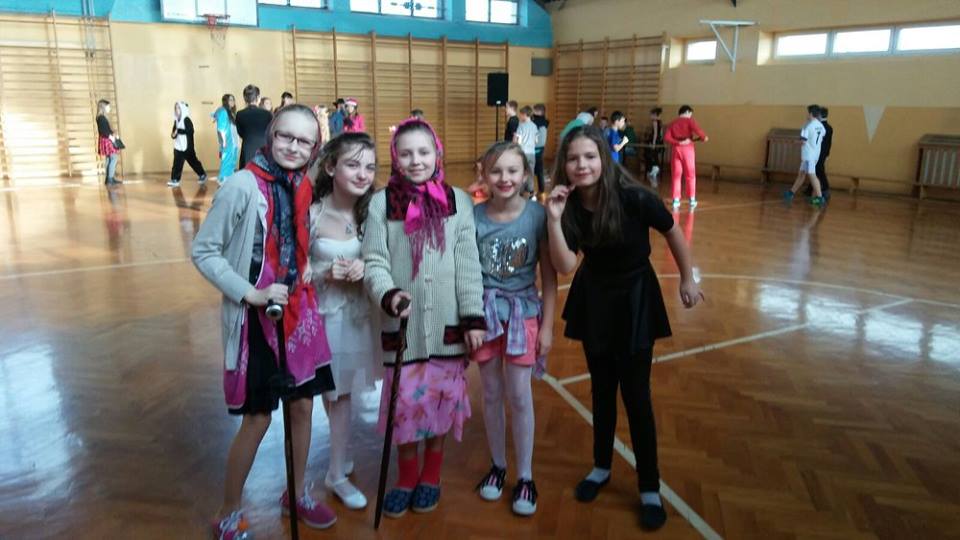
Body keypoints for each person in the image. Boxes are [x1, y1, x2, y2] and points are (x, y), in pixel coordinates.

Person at [545, 125, 704, 531]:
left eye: (589, 156)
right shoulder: (570, 206)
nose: (582, 165)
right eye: (573, 158)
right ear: (564, 164)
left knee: (636, 396)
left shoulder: (635, 198)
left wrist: (688, 278)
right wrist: (554, 218)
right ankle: (601, 467)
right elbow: (565, 266)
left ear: (604, 158)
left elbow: (672, 230)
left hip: (635, 298)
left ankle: (649, 486)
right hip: (595, 298)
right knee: (601, 391)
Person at [193, 104, 338, 539]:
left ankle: (296, 493)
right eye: (286, 137)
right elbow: (204, 251)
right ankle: (229, 512)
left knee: (303, 406)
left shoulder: (303, 185)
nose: (293, 147)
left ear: (314, 147)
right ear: (271, 135)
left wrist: (306, 265)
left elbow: (298, 239)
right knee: (257, 419)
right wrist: (250, 292)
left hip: (298, 314)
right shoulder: (242, 185)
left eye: (304, 141)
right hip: (256, 320)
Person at [362, 118, 485, 519]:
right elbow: (374, 261)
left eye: (423, 152)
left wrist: (473, 318)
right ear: (395, 157)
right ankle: (406, 478)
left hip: (448, 329)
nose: (416, 160)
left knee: (440, 406)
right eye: (406, 153)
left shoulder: (459, 201)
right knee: (404, 409)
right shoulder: (381, 204)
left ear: (437, 154)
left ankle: (431, 476)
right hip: (403, 329)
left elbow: (468, 265)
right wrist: (388, 294)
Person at [471, 141, 557, 516]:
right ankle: (498, 465)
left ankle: (525, 475)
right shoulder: (474, 216)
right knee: (491, 392)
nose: (504, 178)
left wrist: (548, 326)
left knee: (520, 395)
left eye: (512, 170)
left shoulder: (537, 215)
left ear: (525, 175)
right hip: (485, 315)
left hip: (523, 313)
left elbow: (550, 277)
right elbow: (466, 274)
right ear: (484, 174)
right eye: (496, 170)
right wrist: (470, 319)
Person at [308, 132, 381, 512]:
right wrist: (325, 272)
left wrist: (365, 266)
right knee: (333, 392)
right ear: (331, 166)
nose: (363, 174)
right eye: (353, 165)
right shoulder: (313, 213)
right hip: (321, 315)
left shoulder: (373, 212)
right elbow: (295, 270)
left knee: (342, 392)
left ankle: (338, 463)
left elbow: (386, 256)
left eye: (370, 166)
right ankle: (337, 467)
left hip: (357, 316)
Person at [663, 105, 708, 208]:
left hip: (676, 149)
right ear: (687, 112)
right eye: (690, 114)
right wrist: (704, 137)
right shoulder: (689, 121)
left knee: (676, 175)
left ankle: (676, 200)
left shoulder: (672, 123)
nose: (691, 116)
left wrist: (678, 142)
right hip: (688, 149)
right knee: (690, 174)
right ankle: (692, 199)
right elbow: (698, 130)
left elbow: (667, 137)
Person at [784, 105, 826, 207]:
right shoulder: (821, 126)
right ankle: (791, 193)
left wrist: (793, 142)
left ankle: (820, 198)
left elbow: (803, 141)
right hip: (815, 155)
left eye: (807, 112)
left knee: (812, 175)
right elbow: (822, 136)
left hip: (808, 156)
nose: (806, 114)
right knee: (802, 174)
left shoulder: (807, 126)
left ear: (810, 113)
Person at [167, 101, 207, 188]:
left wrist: (179, 131)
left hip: (187, 147)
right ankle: (175, 179)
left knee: (193, 162)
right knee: (176, 164)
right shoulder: (176, 121)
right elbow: (174, 133)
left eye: (178, 108)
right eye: (175, 108)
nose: (176, 110)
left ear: (182, 109)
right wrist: (173, 135)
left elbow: (190, 131)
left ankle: (202, 174)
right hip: (178, 146)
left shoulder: (186, 120)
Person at [236, 84, 273, 168]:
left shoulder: (240, 114)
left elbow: (240, 132)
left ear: (245, 98)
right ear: (258, 97)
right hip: (263, 148)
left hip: (247, 148)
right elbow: (270, 131)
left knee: (247, 173)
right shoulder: (267, 114)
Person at [806, 106, 833, 200]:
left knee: (819, 171)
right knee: (815, 170)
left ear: (820, 115)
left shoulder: (819, 127)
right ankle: (810, 189)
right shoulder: (829, 127)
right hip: (823, 153)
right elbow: (829, 142)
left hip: (818, 152)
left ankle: (825, 189)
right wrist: (827, 154)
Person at [213, 94, 240, 183]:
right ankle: (222, 180)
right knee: (226, 161)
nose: (233, 102)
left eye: (233, 100)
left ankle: (229, 179)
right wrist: (223, 142)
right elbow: (220, 129)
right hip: (227, 142)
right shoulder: (223, 112)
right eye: (230, 100)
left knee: (232, 161)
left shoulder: (232, 113)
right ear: (226, 101)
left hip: (234, 142)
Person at [96, 99, 120, 186]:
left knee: (109, 158)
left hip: (105, 139)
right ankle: (110, 178)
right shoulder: (101, 118)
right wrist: (111, 137)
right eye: (108, 106)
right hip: (106, 139)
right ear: (103, 107)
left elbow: (106, 130)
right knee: (114, 158)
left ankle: (109, 178)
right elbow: (104, 131)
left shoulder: (101, 117)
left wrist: (114, 134)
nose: (109, 108)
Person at [516, 106, 538, 195]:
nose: (520, 116)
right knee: (531, 171)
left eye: (521, 114)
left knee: (522, 171)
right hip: (532, 153)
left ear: (525, 114)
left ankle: (521, 190)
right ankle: (531, 189)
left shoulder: (521, 126)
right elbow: (536, 141)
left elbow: (518, 141)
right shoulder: (534, 126)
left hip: (523, 152)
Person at [532, 103, 550, 195]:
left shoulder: (538, 122)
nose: (533, 113)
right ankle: (541, 189)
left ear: (539, 112)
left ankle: (536, 189)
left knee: (535, 169)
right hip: (540, 147)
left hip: (536, 148)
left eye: (534, 111)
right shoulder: (543, 121)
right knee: (538, 169)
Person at [645, 108, 664, 186]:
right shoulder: (661, 122)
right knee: (655, 155)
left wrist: (653, 143)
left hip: (655, 141)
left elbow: (655, 133)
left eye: (651, 115)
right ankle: (655, 169)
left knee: (652, 155)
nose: (650, 116)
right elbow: (661, 134)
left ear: (655, 115)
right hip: (659, 141)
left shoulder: (655, 122)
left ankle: (655, 169)